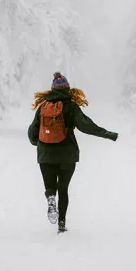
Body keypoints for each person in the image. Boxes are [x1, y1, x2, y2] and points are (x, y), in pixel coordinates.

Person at [28, 72, 118, 233]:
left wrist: (40, 144)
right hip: (67, 155)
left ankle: (50, 198)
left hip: (45, 155)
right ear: (68, 89)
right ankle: (61, 226)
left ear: (52, 89)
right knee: (63, 189)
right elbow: (86, 126)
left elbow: (32, 133)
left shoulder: (43, 107)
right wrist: (108, 134)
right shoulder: (71, 106)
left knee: (51, 186)